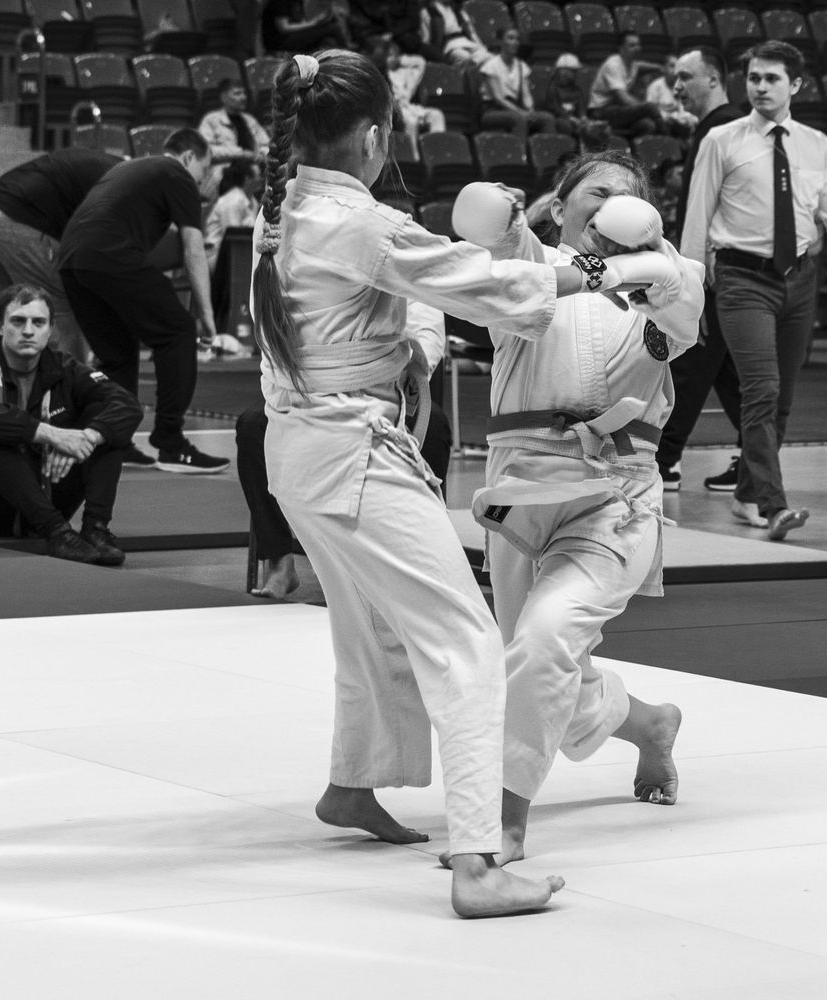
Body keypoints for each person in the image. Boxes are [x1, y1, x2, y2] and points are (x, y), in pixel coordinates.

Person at [249, 49, 675, 916]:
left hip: (301, 450)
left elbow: (412, 294)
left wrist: (413, 344)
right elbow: (484, 281)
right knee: (469, 647)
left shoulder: (285, 207)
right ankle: (480, 864)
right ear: (374, 136)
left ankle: (353, 783)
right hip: (355, 455)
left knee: (372, 629)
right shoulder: (362, 223)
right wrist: (608, 270)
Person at [450, 153, 704, 864]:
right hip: (521, 492)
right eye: (597, 193)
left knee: (542, 645)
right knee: (539, 667)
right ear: (559, 209)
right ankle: (649, 724)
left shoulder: (672, 277)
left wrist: (638, 262)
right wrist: (501, 217)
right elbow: (487, 237)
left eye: (629, 196)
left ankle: (503, 824)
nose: (613, 204)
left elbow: (677, 304)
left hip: (615, 493)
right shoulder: (530, 269)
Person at [681, 40, 826, 540]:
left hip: (800, 277)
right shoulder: (721, 139)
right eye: (754, 78)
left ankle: (747, 493)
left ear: (796, 85)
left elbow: (817, 211)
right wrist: (691, 290)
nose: (760, 87)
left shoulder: (816, 144)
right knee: (761, 390)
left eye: (772, 78)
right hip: (742, 279)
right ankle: (772, 505)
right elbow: (697, 216)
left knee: (781, 398)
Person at [237, 303, 453, 599]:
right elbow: (276, 330)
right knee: (252, 427)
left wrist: (399, 374)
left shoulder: (406, 272)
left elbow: (427, 330)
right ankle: (278, 561)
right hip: (308, 385)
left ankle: (423, 560)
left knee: (435, 426)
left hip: (386, 386)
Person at [58, 128, 230, 475]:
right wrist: (208, 316)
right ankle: (171, 443)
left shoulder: (129, 168)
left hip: (73, 261)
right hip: (107, 254)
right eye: (204, 168)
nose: (204, 179)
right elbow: (193, 248)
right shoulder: (177, 174)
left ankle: (116, 441)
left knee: (118, 353)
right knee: (178, 331)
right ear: (188, 157)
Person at [0, 284, 142, 566]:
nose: (28, 331)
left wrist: (88, 436)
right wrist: (53, 435)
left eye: (38, 322)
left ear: (50, 329)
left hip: (49, 494)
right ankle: (57, 533)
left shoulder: (67, 368)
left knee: (104, 419)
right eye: (18, 321)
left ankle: (96, 529)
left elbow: (128, 405)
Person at [656, 47, 745, 493]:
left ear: (713, 78)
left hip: (713, 268)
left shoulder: (724, 127)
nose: (676, 86)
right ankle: (756, 459)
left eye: (685, 76)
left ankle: (661, 460)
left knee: (692, 359)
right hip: (716, 266)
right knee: (727, 371)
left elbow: (714, 207)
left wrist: (693, 272)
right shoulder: (719, 126)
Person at [0, 148, 121, 366]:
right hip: (18, 220)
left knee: (1, 323)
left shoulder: (105, 166)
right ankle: (73, 386)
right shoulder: (127, 182)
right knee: (65, 318)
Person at [198, 78, 270, 202]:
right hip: (222, 178)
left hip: (253, 174)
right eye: (237, 93)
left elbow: (266, 145)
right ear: (224, 98)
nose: (243, 97)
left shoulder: (250, 120)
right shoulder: (211, 120)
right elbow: (206, 150)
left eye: (244, 93)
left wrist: (262, 154)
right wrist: (241, 154)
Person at [478, 27, 557, 140]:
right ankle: (520, 150)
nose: (515, 42)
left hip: (516, 108)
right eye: (510, 38)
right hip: (493, 110)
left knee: (547, 118)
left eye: (517, 39)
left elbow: (526, 94)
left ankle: (548, 149)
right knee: (518, 119)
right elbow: (498, 98)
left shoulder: (521, 66)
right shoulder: (491, 66)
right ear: (501, 42)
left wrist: (530, 111)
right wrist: (520, 112)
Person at [373, 39, 446, 155]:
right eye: (390, 55)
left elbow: (420, 62)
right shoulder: (382, 73)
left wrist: (400, 60)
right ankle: (414, 157)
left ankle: (437, 153)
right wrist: (385, 63)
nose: (392, 58)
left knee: (436, 115)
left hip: (408, 106)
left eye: (395, 55)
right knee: (411, 121)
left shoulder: (407, 72)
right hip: (392, 108)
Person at [588, 32, 667, 138]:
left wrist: (659, 67)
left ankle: (639, 148)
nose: (637, 48)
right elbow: (623, 99)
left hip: (619, 112)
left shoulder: (632, 63)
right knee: (650, 107)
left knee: (648, 125)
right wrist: (644, 108)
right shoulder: (613, 65)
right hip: (601, 112)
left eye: (638, 44)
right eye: (632, 45)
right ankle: (669, 139)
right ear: (621, 49)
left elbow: (641, 66)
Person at [545, 53, 611, 152]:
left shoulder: (577, 90)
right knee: (565, 125)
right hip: (560, 120)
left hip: (576, 121)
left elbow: (581, 110)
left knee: (598, 128)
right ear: (563, 71)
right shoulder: (553, 88)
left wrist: (584, 118)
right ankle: (569, 152)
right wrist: (570, 118)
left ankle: (595, 154)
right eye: (573, 71)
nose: (576, 74)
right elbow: (554, 109)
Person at [203, 162, 261, 275]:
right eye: (258, 177)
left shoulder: (252, 201)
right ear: (247, 179)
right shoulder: (232, 200)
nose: (260, 181)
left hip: (237, 251)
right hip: (217, 254)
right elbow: (234, 237)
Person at [261, 0, 352, 55]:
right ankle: (350, 51)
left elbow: (301, 22)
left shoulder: (298, 2)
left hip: (292, 36)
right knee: (333, 28)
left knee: (327, 39)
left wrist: (321, 20)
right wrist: (314, 23)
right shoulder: (280, 2)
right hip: (279, 42)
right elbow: (283, 28)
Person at [644, 54, 697, 140]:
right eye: (672, 66)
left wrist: (687, 118)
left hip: (678, 121)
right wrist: (667, 117)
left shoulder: (681, 87)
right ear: (664, 68)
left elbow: (683, 109)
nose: (675, 70)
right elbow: (650, 110)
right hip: (661, 122)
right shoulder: (655, 86)